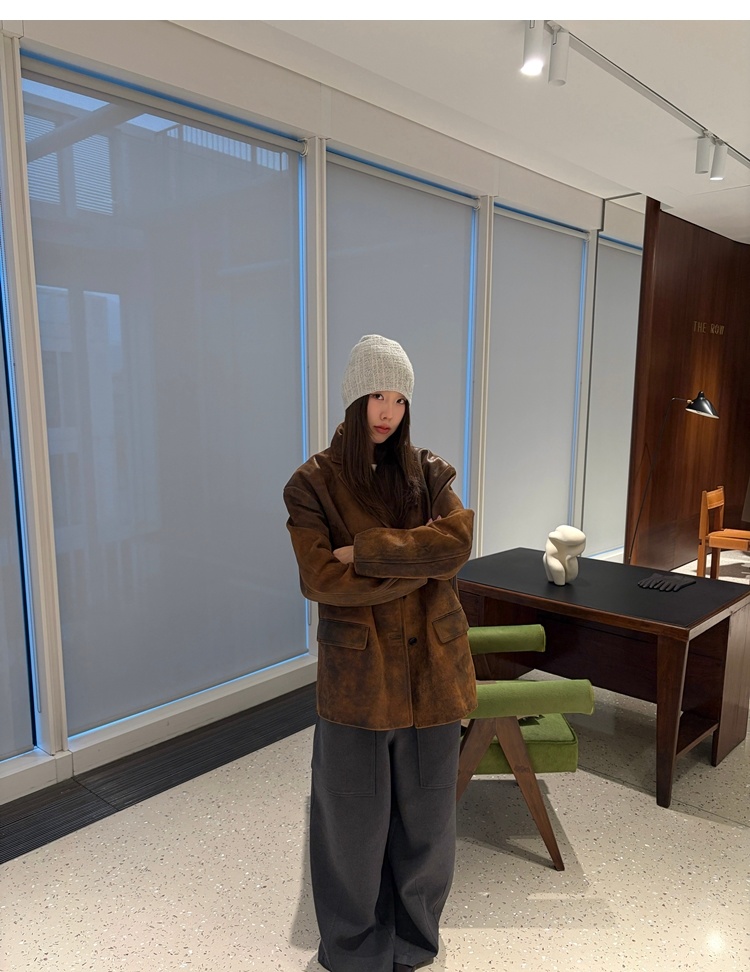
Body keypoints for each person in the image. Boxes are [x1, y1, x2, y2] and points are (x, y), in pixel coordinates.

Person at [283, 334, 477, 972]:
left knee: (428, 823)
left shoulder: (429, 471)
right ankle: (353, 950)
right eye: (376, 395)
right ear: (354, 398)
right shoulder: (312, 483)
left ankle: (415, 943)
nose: (387, 410)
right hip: (358, 682)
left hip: (434, 676)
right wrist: (418, 562)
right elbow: (320, 579)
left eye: (398, 398)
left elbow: (457, 545)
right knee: (351, 826)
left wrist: (365, 552)